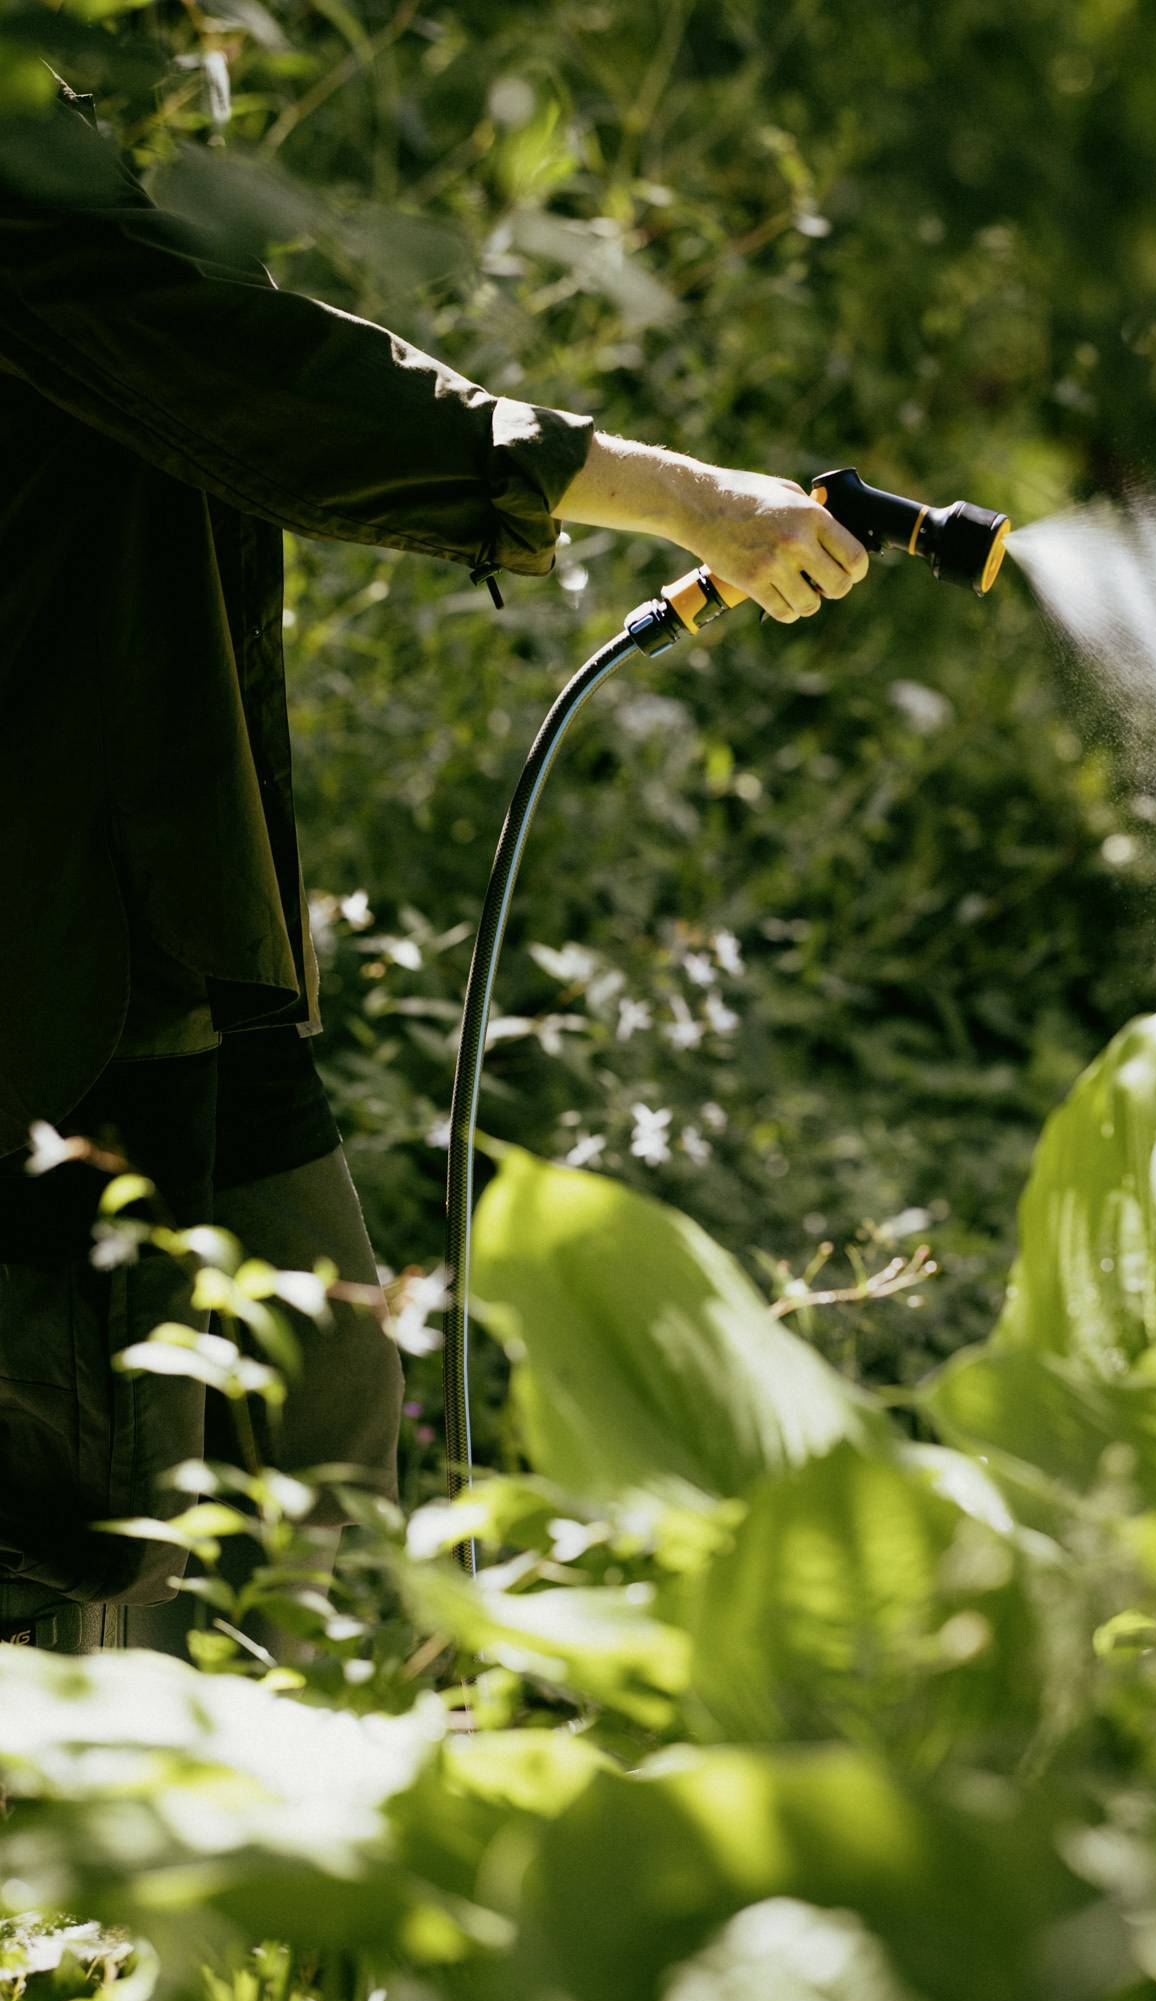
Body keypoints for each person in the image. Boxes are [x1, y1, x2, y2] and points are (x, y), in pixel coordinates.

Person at [0, 78, 867, 1653]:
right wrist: (686, 500)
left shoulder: (60, 113)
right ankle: (102, 1864)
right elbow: (281, 392)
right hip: (43, 942)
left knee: (328, 1396)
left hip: (179, 906)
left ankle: (343, 1842)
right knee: (93, 1518)